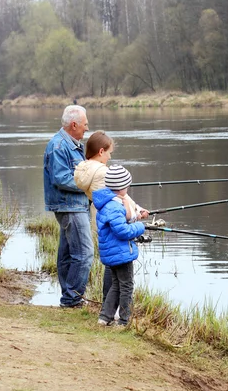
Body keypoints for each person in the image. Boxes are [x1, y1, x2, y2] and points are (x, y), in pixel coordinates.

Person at [73, 131, 149, 303]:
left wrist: (136, 208)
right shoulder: (101, 172)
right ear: (101, 151)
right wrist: (138, 214)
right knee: (115, 267)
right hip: (113, 224)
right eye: (109, 153)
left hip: (100, 220)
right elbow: (119, 198)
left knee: (110, 262)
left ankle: (108, 306)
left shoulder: (84, 168)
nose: (109, 157)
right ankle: (110, 306)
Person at [43, 105, 93, 308]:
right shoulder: (58, 146)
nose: (86, 129)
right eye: (85, 124)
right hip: (69, 207)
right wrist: (91, 186)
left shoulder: (72, 144)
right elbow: (61, 178)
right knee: (84, 254)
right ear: (74, 124)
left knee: (67, 253)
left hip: (74, 206)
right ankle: (72, 300)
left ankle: (68, 297)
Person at [92, 165, 145, 326]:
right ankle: (124, 320)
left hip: (112, 253)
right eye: (127, 185)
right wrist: (140, 227)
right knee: (126, 286)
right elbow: (122, 231)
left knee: (116, 285)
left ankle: (105, 317)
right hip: (120, 253)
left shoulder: (107, 204)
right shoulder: (115, 207)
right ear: (122, 187)